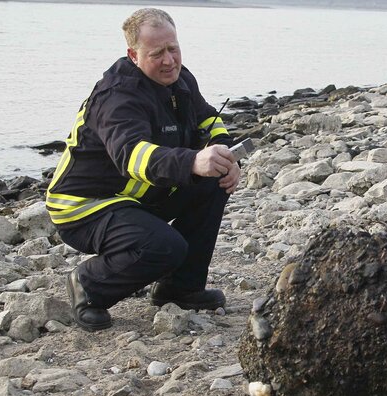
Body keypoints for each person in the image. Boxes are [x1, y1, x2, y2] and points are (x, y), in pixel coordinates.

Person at [46, 8, 241, 331]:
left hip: (140, 197)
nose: (169, 60)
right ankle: (88, 284)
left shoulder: (180, 79)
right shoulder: (117, 96)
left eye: (173, 49)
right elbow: (131, 156)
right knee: (165, 246)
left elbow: (208, 118)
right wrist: (193, 161)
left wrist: (225, 156)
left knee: (214, 178)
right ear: (133, 55)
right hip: (84, 206)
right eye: (157, 54)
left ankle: (180, 288)